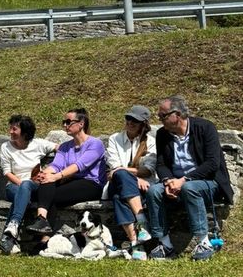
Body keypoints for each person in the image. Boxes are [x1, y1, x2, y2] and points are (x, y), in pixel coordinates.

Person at [145, 95, 233, 261]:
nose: (159, 119)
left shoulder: (205, 128)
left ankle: (203, 242)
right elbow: (161, 164)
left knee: (189, 188)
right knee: (153, 191)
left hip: (208, 182)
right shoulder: (163, 134)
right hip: (176, 181)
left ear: (176, 115)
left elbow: (212, 164)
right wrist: (167, 182)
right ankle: (165, 245)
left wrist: (184, 180)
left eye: (162, 116)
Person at [28, 107, 107, 238]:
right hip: (70, 181)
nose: (65, 125)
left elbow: (79, 165)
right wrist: (44, 174)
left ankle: (43, 233)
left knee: (49, 194)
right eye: (63, 122)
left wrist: (56, 176)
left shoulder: (95, 144)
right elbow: (56, 165)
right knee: (48, 184)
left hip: (91, 183)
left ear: (81, 123)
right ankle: (42, 225)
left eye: (68, 121)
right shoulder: (65, 146)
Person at [0, 114, 55, 255]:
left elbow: (59, 149)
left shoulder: (38, 144)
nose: (10, 132)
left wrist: (54, 169)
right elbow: (7, 172)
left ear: (24, 132)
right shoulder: (6, 147)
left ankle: (11, 232)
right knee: (22, 190)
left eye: (14, 129)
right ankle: (11, 233)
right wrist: (22, 184)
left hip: (35, 185)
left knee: (25, 188)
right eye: (10, 128)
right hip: (13, 186)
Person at [105, 105, 156, 252]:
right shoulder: (115, 139)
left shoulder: (150, 142)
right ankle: (142, 221)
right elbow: (114, 167)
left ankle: (136, 244)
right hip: (119, 182)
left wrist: (126, 173)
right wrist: (133, 175)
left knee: (117, 198)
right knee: (120, 175)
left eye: (135, 120)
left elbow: (148, 169)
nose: (130, 123)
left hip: (141, 186)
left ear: (143, 124)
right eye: (128, 119)